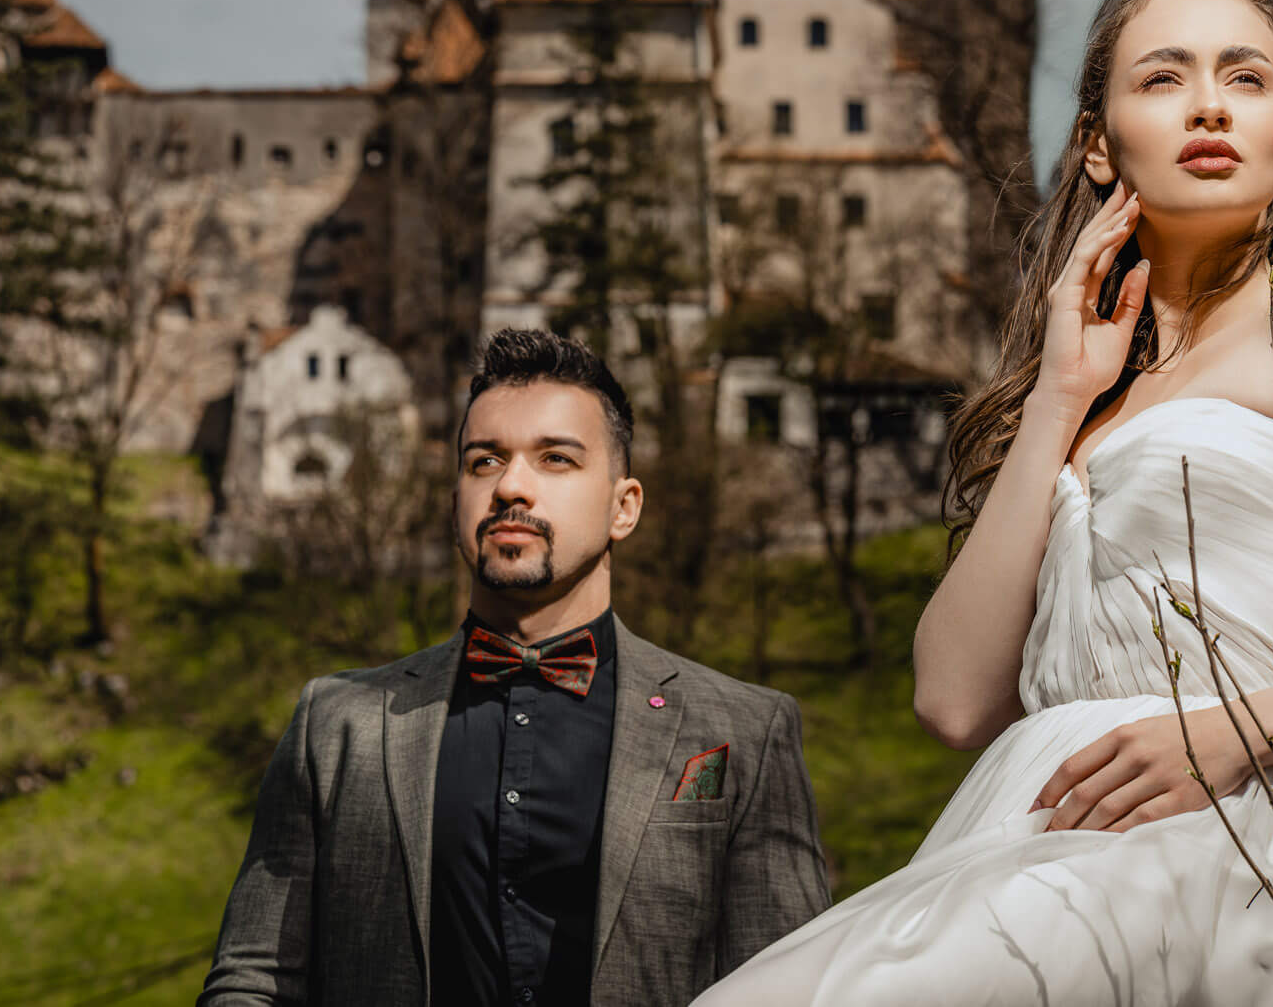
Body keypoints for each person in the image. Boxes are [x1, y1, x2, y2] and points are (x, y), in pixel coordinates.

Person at [693, 0, 1273, 1006]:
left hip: (1240, 822)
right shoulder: (1074, 396)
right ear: (1097, 144)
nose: (1208, 104)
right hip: (1028, 827)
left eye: (1245, 78)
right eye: (1163, 78)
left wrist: (1237, 731)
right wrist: (1056, 399)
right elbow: (952, 698)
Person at [200, 328, 830, 1007]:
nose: (510, 487)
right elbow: (254, 981)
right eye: (484, 461)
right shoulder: (334, 727)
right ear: (455, 503)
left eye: (555, 458)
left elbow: (790, 990)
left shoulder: (745, 730)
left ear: (623, 507)